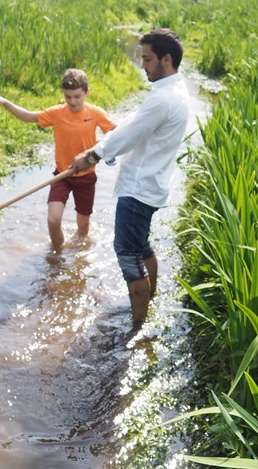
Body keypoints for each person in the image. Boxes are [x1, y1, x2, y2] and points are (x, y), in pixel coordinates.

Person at [69, 28, 190, 329]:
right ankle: (151, 299)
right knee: (142, 247)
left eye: (147, 59)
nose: (142, 65)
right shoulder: (173, 91)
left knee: (128, 257)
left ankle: (136, 330)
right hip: (151, 186)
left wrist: (93, 155)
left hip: (138, 190)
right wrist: (100, 149)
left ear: (166, 59)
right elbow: (135, 127)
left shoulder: (163, 99)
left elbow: (132, 133)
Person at [0, 68, 116, 250]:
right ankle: (56, 254)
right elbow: (29, 116)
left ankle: (79, 252)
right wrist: (6, 103)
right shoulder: (57, 113)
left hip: (86, 177)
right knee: (53, 220)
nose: (72, 101)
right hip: (61, 176)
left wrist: (98, 150)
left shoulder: (96, 113)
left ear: (86, 92)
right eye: (68, 97)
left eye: (77, 96)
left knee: (83, 225)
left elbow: (116, 135)